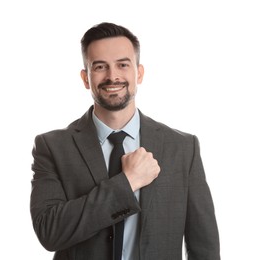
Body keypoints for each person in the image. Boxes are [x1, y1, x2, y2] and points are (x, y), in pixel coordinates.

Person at [30, 22, 221, 260]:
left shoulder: (182, 148)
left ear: (138, 73)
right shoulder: (53, 147)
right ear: (85, 78)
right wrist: (127, 182)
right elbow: (49, 231)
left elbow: (205, 247)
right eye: (100, 66)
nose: (113, 76)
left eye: (123, 64)